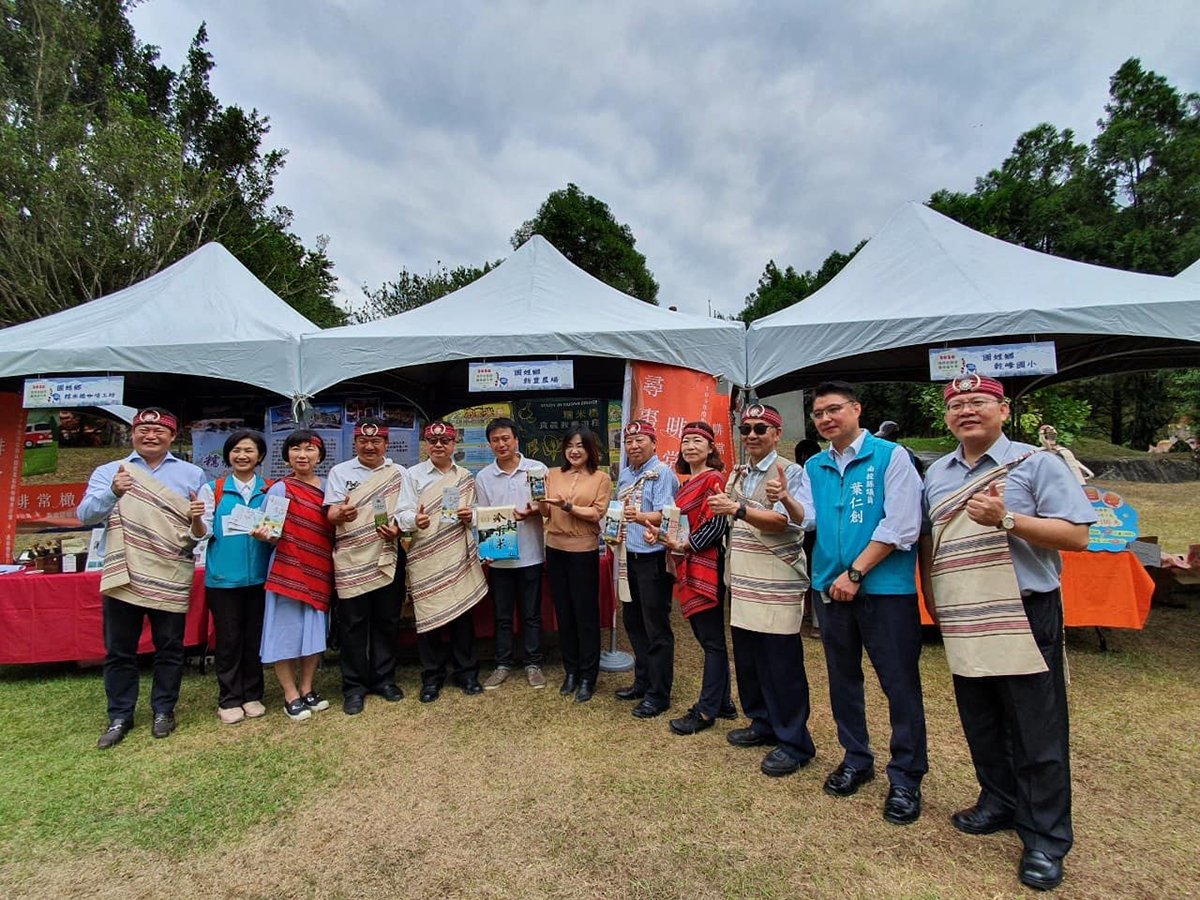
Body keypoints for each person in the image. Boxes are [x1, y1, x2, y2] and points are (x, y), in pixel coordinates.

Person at [921, 374, 1095, 892]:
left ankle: (1044, 837)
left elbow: (1077, 536)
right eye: (957, 404)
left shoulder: (1037, 463)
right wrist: (934, 600)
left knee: (1036, 725)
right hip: (963, 606)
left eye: (978, 402)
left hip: (1023, 607)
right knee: (980, 715)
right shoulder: (938, 473)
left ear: (1002, 409)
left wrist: (1009, 519)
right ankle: (997, 798)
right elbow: (933, 537)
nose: (966, 411)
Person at [792, 382, 927, 824]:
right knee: (843, 678)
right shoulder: (814, 464)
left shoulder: (891, 457)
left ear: (856, 410)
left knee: (899, 684)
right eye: (818, 414)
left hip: (884, 591)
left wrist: (856, 573)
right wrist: (786, 501)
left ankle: (906, 778)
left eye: (834, 410)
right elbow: (808, 518)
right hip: (831, 590)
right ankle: (856, 758)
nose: (826, 419)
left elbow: (903, 524)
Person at [77, 407, 206, 749]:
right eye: (143, 429)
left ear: (172, 436)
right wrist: (113, 492)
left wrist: (196, 521)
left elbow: (199, 532)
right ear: (133, 433)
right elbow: (86, 515)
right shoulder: (111, 472)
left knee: (170, 647)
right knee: (120, 649)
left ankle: (164, 709)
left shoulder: (193, 474)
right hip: (126, 570)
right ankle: (120, 715)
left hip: (170, 570)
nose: (150, 435)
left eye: (158, 430)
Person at [707, 404, 814, 776]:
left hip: (776, 578)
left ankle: (794, 741)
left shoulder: (792, 471)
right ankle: (762, 722)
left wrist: (739, 509)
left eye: (761, 428)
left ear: (776, 434)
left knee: (781, 664)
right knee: (750, 660)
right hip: (744, 578)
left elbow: (793, 521)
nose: (752, 435)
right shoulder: (738, 472)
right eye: (747, 428)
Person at [325, 417, 418, 715]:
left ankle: (384, 679)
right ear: (355, 443)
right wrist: (340, 514)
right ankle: (353, 686)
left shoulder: (398, 473)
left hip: (388, 553)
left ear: (386, 445)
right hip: (352, 557)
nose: (369, 446)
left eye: (376, 441)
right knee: (353, 623)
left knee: (387, 620)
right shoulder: (340, 472)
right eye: (363, 441)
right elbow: (331, 512)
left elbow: (406, 511)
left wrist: (400, 528)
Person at [655, 421, 736, 736]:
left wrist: (685, 545)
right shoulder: (687, 481)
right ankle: (724, 702)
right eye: (685, 441)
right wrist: (662, 536)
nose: (690, 446)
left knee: (712, 642)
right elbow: (678, 523)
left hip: (706, 564)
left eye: (697, 441)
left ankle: (705, 711)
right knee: (710, 639)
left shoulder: (714, 479)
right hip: (688, 560)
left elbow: (717, 526)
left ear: (711, 447)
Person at [190, 429, 273, 724]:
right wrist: (196, 518)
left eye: (249, 450)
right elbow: (203, 533)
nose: (242, 456)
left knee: (254, 638)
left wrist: (269, 536)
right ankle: (229, 698)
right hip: (223, 579)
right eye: (237, 450)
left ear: (260, 456)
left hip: (262, 578)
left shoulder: (270, 490)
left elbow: (277, 534)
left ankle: (253, 694)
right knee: (228, 639)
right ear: (228, 455)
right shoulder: (213, 489)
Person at [256, 430, 336, 722]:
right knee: (284, 632)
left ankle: (308, 688)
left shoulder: (330, 488)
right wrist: (264, 534)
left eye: (309, 449)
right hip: (288, 569)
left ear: (320, 455)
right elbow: (270, 533)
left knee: (313, 632)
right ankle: (290, 694)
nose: (302, 455)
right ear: (287, 455)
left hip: (320, 567)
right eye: (296, 449)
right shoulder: (280, 489)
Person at [404, 421, 487, 702]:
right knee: (430, 618)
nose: (439, 445)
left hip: (456, 551)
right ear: (426, 444)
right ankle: (432, 678)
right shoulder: (412, 476)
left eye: (445, 441)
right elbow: (401, 512)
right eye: (433, 441)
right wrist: (414, 519)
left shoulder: (464, 476)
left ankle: (467, 673)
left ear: (454, 445)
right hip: (424, 552)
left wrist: (470, 515)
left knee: (462, 616)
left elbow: (476, 511)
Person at [474, 417, 549, 690]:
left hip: (531, 554)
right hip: (500, 557)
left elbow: (548, 509)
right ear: (490, 444)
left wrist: (534, 510)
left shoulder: (536, 469)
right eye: (495, 440)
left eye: (506, 438)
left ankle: (533, 663)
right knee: (502, 615)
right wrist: (487, 548)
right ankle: (503, 663)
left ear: (517, 439)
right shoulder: (483, 476)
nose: (501, 444)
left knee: (531, 613)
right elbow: (483, 516)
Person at [612, 420, 680, 718]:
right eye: (629, 442)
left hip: (653, 558)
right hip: (629, 556)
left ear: (654, 443)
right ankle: (642, 682)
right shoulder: (626, 474)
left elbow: (667, 514)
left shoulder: (662, 473)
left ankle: (659, 693)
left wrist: (638, 517)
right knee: (634, 622)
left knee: (656, 627)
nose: (634, 446)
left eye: (640, 440)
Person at [540, 427, 612, 703]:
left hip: (583, 550)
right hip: (555, 548)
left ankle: (587, 676)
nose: (574, 450)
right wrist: (538, 500)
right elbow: (546, 510)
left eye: (580, 446)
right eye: (569, 445)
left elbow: (596, 513)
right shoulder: (552, 474)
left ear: (590, 449)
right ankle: (570, 670)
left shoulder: (601, 478)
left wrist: (568, 506)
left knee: (585, 614)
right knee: (564, 612)